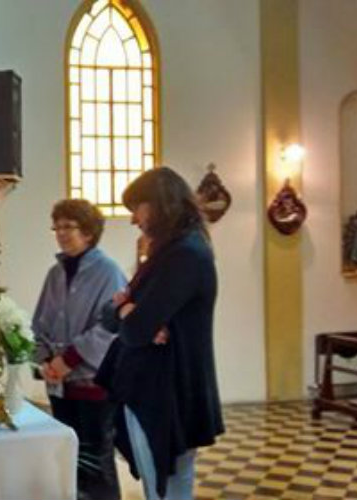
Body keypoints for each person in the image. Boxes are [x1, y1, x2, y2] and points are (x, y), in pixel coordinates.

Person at [96, 167, 224, 500]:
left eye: (136, 209)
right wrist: (128, 311)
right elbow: (109, 316)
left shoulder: (185, 254)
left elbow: (135, 329)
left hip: (170, 389)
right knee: (159, 487)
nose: (133, 220)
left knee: (168, 489)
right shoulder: (166, 253)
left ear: (158, 205)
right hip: (151, 387)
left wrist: (129, 312)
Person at [32, 198, 127, 500]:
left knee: (96, 462)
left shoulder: (108, 271)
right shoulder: (55, 273)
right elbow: (40, 322)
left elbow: (110, 329)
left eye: (68, 226)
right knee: (67, 459)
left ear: (88, 231)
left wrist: (69, 360)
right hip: (59, 385)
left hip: (93, 385)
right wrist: (46, 359)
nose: (60, 233)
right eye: (56, 227)